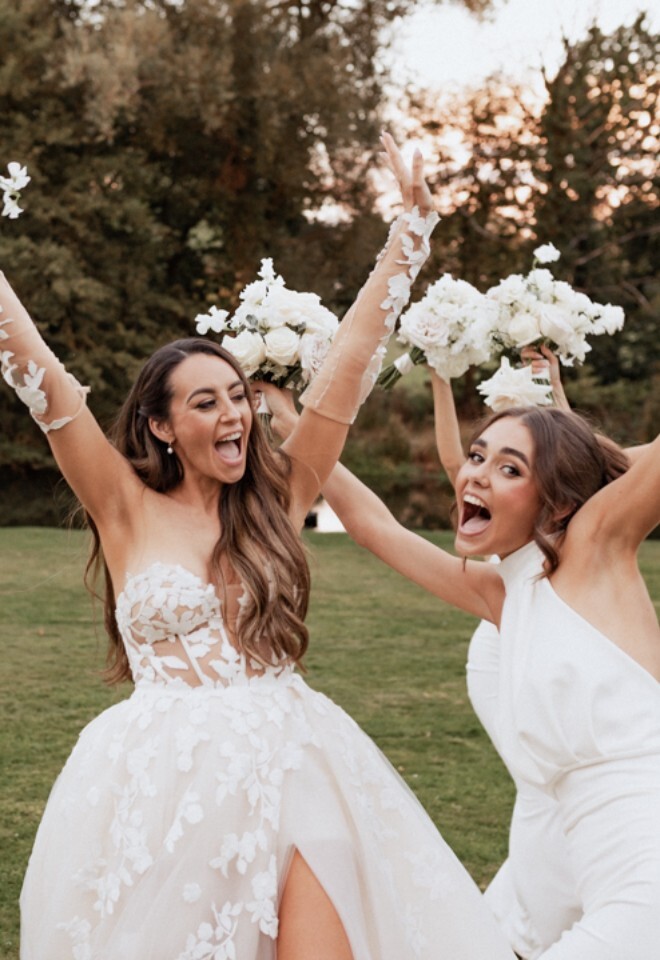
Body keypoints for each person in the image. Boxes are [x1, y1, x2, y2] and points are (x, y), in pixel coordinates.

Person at [1, 136, 517, 960]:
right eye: (206, 403)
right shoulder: (122, 506)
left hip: (297, 762)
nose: (235, 415)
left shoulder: (281, 496)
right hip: (162, 783)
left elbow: (347, 368)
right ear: (161, 427)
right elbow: (43, 380)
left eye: (237, 396)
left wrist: (410, 236)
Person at [262, 366, 660, 960]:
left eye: (510, 469)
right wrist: (294, 424)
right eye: (478, 456)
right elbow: (373, 528)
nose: (476, 474)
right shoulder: (503, 593)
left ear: (559, 504)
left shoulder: (594, 547)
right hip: (579, 866)